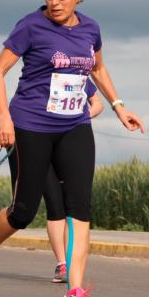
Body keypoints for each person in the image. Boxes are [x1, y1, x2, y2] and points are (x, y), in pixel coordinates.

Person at [0, 0, 145, 297]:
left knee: (80, 208)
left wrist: (118, 106)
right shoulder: (31, 26)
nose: (55, 1)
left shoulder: (90, 28)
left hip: (75, 126)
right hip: (29, 126)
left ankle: (75, 291)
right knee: (23, 211)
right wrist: (4, 118)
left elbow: (98, 69)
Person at [44, 80, 103, 284]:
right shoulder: (41, 74)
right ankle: (62, 263)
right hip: (41, 142)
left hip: (69, 144)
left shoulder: (79, 76)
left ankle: (69, 265)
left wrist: (81, 116)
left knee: (74, 208)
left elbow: (98, 103)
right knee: (54, 204)